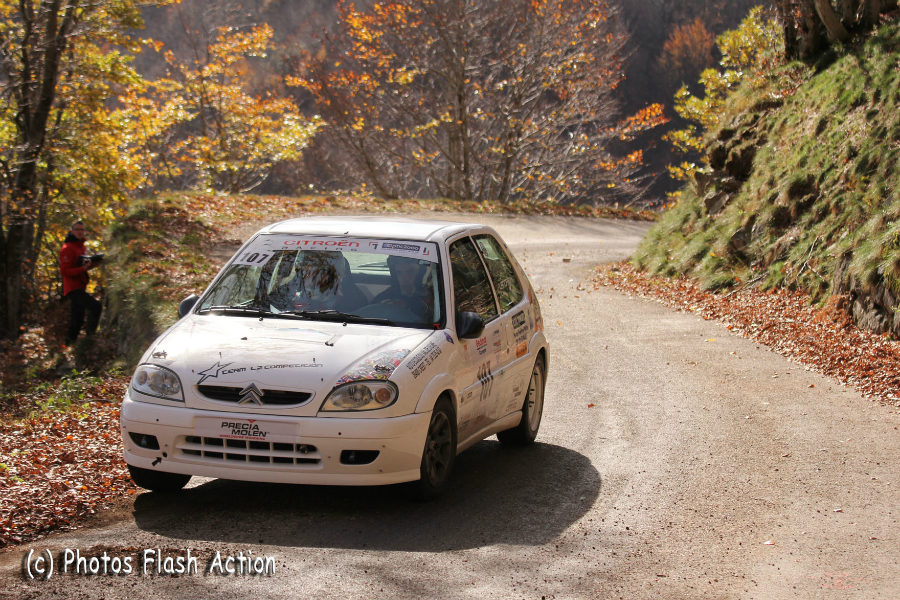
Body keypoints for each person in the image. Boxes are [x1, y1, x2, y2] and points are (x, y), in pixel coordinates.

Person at [59, 220, 102, 345]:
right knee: (95, 306)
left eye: (82, 230)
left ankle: (69, 344)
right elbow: (65, 271)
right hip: (73, 287)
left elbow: (81, 265)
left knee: (77, 317)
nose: (80, 232)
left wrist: (92, 265)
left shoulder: (81, 246)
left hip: (80, 286)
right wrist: (84, 268)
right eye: (77, 229)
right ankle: (90, 338)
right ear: (72, 231)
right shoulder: (67, 248)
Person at [372, 255, 430, 320]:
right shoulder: (383, 298)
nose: (404, 278)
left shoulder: (428, 301)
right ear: (395, 275)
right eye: (399, 273)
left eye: (409, 272)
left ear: (418, 275)